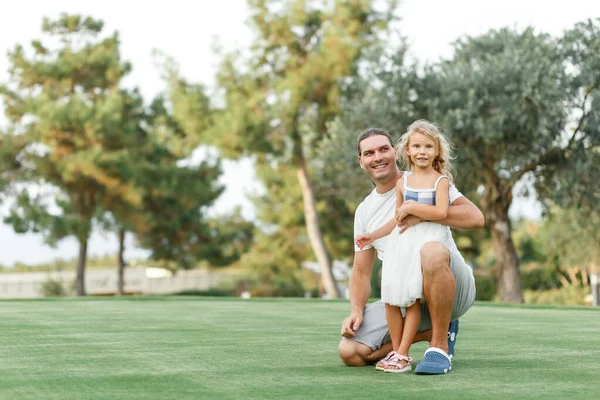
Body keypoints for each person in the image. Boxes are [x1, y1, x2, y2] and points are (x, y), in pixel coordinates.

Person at [339, 122, 484, 375]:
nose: (378, 157)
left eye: (383, 149)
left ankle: (438, 346)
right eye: (369, 153)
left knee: (431, 251)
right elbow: (361, 271)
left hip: (451, 286)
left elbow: (475, 218)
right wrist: (355, 310)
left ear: (396, 151)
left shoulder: (426, 179)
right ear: (361, 161)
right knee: (350, 351)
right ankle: (424, 337)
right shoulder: (364, 211)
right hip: (406, 292)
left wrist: (422, 214)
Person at [354, 120, 456, 373]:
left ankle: (411, 350)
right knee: (389, 302)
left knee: (410, 298)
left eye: (428, 147)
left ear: (396, 153)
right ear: (408, 150)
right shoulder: (398, 188)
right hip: (400, 249)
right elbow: (395, 220)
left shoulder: (440, 181)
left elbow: (448, 212)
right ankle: (399, 352)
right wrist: (371, 236)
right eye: (369, 153)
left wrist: (416, 211)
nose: (422, 151)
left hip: (427, 253)